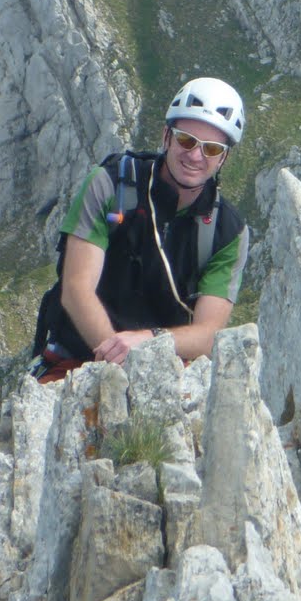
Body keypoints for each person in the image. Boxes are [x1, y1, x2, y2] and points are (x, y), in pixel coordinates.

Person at [33, 77, 250, 380]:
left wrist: (148, 342)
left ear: (223, 158)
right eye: (186, 140)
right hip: (78, 359)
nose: (195, 155)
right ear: (167, 137)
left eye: (211, 149)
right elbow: (76, 289)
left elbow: (208, 334)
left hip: (162, 367)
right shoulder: (111, 184)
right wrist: (117, 359)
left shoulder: (227, 232)